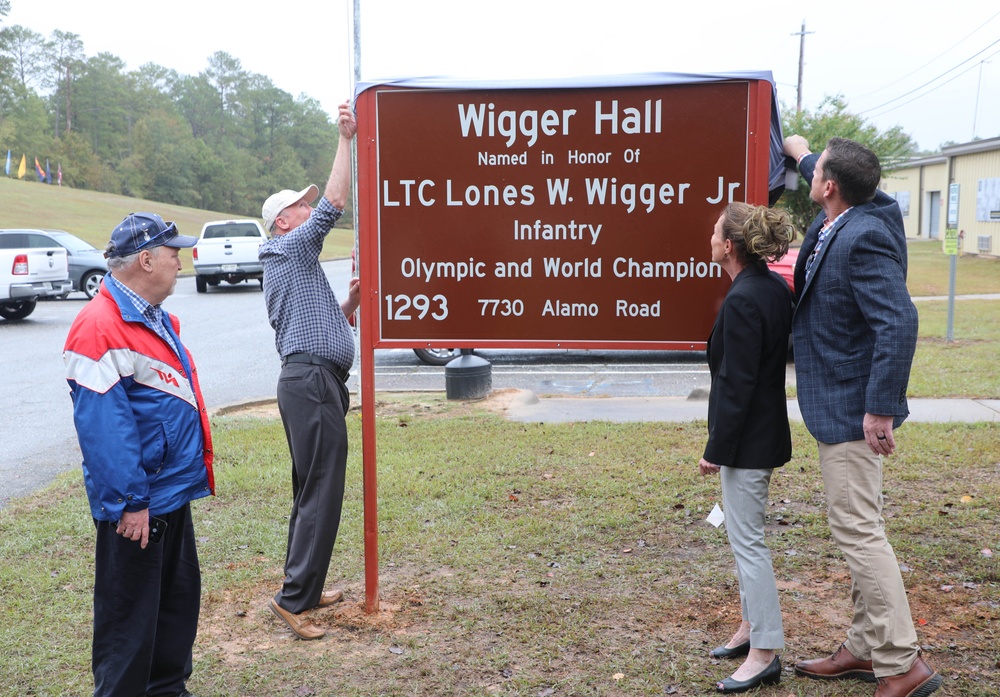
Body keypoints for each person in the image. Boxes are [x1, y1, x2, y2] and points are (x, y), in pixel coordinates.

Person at [783, 135, 942, 697]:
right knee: (857, 526)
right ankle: (864, 647)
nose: (812, 177)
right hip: (839, 403)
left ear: (830, 187)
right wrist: (800, 153)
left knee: (859, 532)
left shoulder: (867, 233)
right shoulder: (858, 209)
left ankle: (901, 663)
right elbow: (824, 173)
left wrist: (879, 408)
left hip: (854, 409)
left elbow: (898, 324)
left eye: (816, 172)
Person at [63, 212, 214, 697]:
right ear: (145, 260)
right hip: (139, 504)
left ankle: (168, 688)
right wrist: (131, 501)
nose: (180, 259)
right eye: (173, 251)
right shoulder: (98, 326)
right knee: (129, 624)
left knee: (174, 605)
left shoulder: (150, 316)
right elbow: (105, 430)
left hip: (168, 494)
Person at [259, 100, 361, 640]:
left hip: (312, 382)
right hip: (311, 384)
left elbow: (315, 329)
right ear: (284, 222)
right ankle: (294, 600)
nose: (310, 208)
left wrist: (348, 307)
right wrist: (344, 138)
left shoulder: (295, 266)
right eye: (301, 206)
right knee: (321, 490)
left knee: (312, 490)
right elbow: (336, 203)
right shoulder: (286, 250)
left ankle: (307, 585)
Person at [699, 202, 794, 693]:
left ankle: (765, 651)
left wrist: (716, 448)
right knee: (743, 537)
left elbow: (737, 383)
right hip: (762, 433)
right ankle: (749, 627)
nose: (710, 239)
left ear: (730, 246)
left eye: (715, 233)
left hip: (747, 442)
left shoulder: (742, 299)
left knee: (748, 543)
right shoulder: (770, 286)